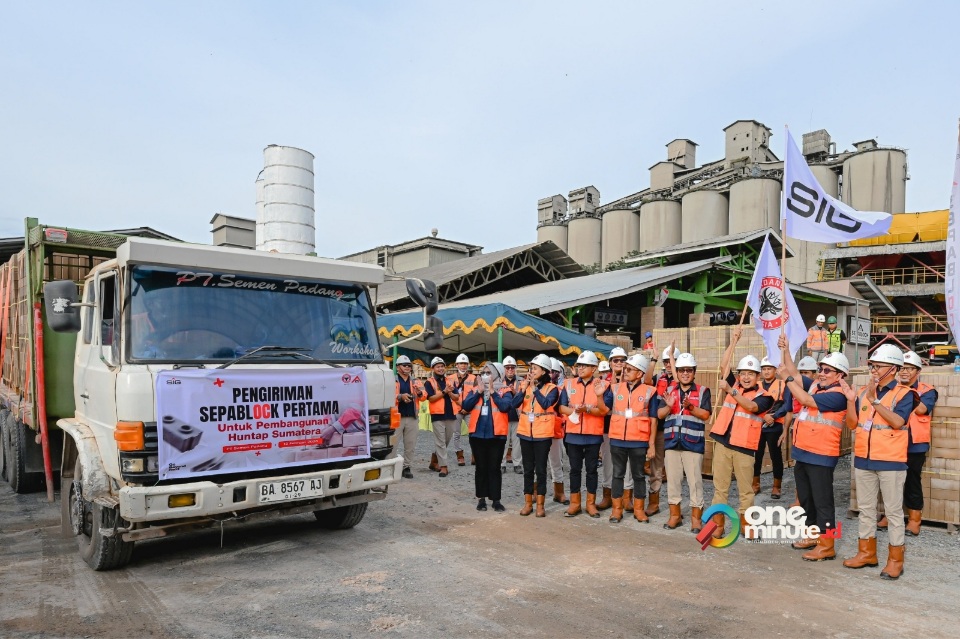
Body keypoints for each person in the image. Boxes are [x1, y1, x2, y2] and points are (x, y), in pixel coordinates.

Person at [842, 344, 916, 580]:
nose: (873, 370)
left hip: (891, 462)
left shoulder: (905, 394)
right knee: (866, 510)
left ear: (893, 369)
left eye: (878, 366)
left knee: (893, 513)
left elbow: (897, 422)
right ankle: (866, 553)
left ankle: (895, 561)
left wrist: (875, 402)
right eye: (872, 366)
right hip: (864, 460)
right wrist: (850, 401)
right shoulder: (863, 392)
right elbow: (852, 424)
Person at [776, 335, 850, 561]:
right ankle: (812, 535)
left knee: (822, 502)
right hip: (804, 453)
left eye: (827, 370)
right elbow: (796, 375)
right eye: (821, 369)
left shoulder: (839, 396)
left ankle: (827, 545)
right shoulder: (818, 386)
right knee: (807, 499)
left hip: (821, 455)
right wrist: (786, 351)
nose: (822, 373)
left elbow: (805, 400)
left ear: (840, 375)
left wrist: (787, 379)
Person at [709, 326, 774, 539]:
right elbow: (724, 364)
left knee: (746, 490)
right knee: (720, 488)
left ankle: (747, 525)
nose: (746, 377)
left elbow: (752, 407)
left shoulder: (765, 396)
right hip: (723, 443)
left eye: (750, 374)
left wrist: (731, 390)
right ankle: (718, 525)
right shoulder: (734, 383)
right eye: (743, 373)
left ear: (757, 376)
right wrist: (734, 341)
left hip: (744, 449)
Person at [877, 350, 936, 536]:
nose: (905, 372)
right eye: (902, 368)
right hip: (892, 442)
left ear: (918, 372)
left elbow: (922, 410)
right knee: (890, 482)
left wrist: (907, 395)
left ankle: (914, 520)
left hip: (914, 445)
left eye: (910, 369)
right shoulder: (891, 390)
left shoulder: (927, 390)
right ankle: (890, 516)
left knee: (911, 482)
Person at [657, 352, 711, 532]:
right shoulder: (669, 391)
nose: (685, 373)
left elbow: (706, 415)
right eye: (681, 370)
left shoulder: (702, 391)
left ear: (694, 372)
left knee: (695, 482)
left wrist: (691, 407)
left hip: (693, 444)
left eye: (689, 370)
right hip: (672, 443)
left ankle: (696, 519)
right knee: (673, 481)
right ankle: (675, 516)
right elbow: (660, 415)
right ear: (677, 372)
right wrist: (668, 406)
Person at [559, 351, 611, 518]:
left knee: (591, 471)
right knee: (574, 470)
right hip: (573, 434)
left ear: (594, 368)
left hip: (593, 435)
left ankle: (590, 504)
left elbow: (604, 411)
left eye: (584, 365)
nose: (580, 368)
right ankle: (575, 504)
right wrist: (575, 411)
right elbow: (561, 407)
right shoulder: (569, 384)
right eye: (579, 365)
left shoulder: (604, 385)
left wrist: (587, 410)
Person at [608, 354, 657, 523]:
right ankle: (616, 510)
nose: (625, 371)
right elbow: (604, 408)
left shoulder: (650, 391)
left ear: (640, 374)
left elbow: (654, 419)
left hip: (638, 440)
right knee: (617, 475)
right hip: (617, 439)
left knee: (638, 475)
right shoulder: (615, 389)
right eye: (625, 368)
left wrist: (651, 444)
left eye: (629, 369)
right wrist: (599, 396)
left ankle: (639, 510)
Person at [461, 363, 514, 512]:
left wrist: (492, 392)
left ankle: (496, 500)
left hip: (496, 436)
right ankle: (481, 499)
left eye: (488, 373)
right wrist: (479, 391)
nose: (485, 375)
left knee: (494, 468)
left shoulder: (505, 390)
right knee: (481, 468)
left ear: (497, 374)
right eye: (483, 373)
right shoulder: (475, 389)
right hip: (477, 435)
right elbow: (466, 405)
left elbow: (505, 407)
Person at [512, 354, 559, 517]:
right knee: (528, 469)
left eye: (535, 368)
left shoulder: (552, 389)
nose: (531, 371)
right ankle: (527, 503)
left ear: (544, 371)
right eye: (531, 368)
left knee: (541, 470)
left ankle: (540, 505)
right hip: (525, 433)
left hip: (543, 434)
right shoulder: (525, 385)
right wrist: (523, 389)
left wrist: (534, 389)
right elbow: (514, 404)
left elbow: (546, 404)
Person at [642, 344, 680, 517]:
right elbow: (647, 381)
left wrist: (671, 356)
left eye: (671, 361)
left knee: (673, 470)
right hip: (658, 429)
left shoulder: (681, 380)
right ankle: (654, 502)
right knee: (656, 468)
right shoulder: (659, 378)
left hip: (674, 429)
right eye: (665, 361)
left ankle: (675, 506)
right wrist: (654, 359)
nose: (668, 364)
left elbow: (678, 382)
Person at [781, 355, 818, 508]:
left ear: (814, 375)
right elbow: (789, 411)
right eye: (801, 372)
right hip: (797, 432)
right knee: (799, 467)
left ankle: (811, 501)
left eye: (806, 373)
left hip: (813, 434)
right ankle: (799, 499)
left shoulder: (815, 389)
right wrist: (785, 430)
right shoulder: (793, 390)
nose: (803, 376)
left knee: (813, 470)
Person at [598, 347, 629, 511]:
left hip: (628, 429)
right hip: (608, 427)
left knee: (628, 464)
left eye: (622, 360)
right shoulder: (604, 383)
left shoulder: (633, 380)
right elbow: (603, 405)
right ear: (610, 363)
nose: (619, 363)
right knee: (608, 463)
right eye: (615, 360)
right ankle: (607, 495)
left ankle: (626, 497)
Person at [752, 357, 786, 499]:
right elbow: (752, 403)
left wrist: (774, 416)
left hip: (774, 425)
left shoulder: (782, 384)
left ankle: (777, 486)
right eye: (764, 369)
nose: (766, 371)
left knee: (775, 456)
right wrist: (763, 416)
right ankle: (755, 483)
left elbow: (786, 404)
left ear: (775, 370)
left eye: (769, 369)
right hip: (757, 425)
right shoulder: (756, 384)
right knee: (756, 456)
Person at [423, 357, 459, 477]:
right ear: (433, 368)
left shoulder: (450, 380)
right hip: (437, 415)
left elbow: (456, 397)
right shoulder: (429, 382)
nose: (440, 368)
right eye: (438, 366)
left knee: (445, 440)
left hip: (450, 414)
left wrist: (450, 392)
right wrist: (444, 391)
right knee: (440, 442)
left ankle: (434, 461)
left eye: (442, 366)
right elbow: (431, 399)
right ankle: (444, 466)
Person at [391, 355, 426, 479]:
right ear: (397, 367)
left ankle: (406, 467)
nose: (407, 367)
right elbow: (387, 396)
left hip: (412, 417)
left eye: (409, 365)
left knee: (410, 445)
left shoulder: (416, 381)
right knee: (393, 445)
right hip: (396, 418)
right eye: (404, 365)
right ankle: (390, 467)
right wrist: (400, 397)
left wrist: (419, 392)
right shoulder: (392, 380)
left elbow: (424, 396)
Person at [548, 357, 569, 506]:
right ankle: (535, 492)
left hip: (555, 429)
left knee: (556, 462)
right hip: (538, 430)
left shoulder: (561, 390)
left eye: (553, 372)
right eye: (548, 371)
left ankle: (559, 492)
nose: (550, 374)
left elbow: (563, 409)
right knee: (537, 464)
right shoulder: (536, 388)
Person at [450, 353, 476, 467]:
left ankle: (475, 454)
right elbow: (450, 394)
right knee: (456, 434)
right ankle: (459, 455)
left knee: (474, 433)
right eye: (461, 363)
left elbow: (476, 394)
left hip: (470, 410)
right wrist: (462, 407)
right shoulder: (450, 378)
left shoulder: (473, 378)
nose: (463, 366)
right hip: (456, 409)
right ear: (457, 365)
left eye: (465, 363)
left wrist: (467, 407)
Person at [500, 356, 523, 476]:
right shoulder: (499, 381)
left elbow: (524, 396)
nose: (510, 370)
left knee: (517, 442)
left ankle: (517, 464)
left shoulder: (521, 381)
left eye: (512, 367)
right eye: (507, 367)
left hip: (517, 416)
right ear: (504, 369)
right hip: (503, 416)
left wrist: (515, 393)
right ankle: (502, 464)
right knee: (503, 442)